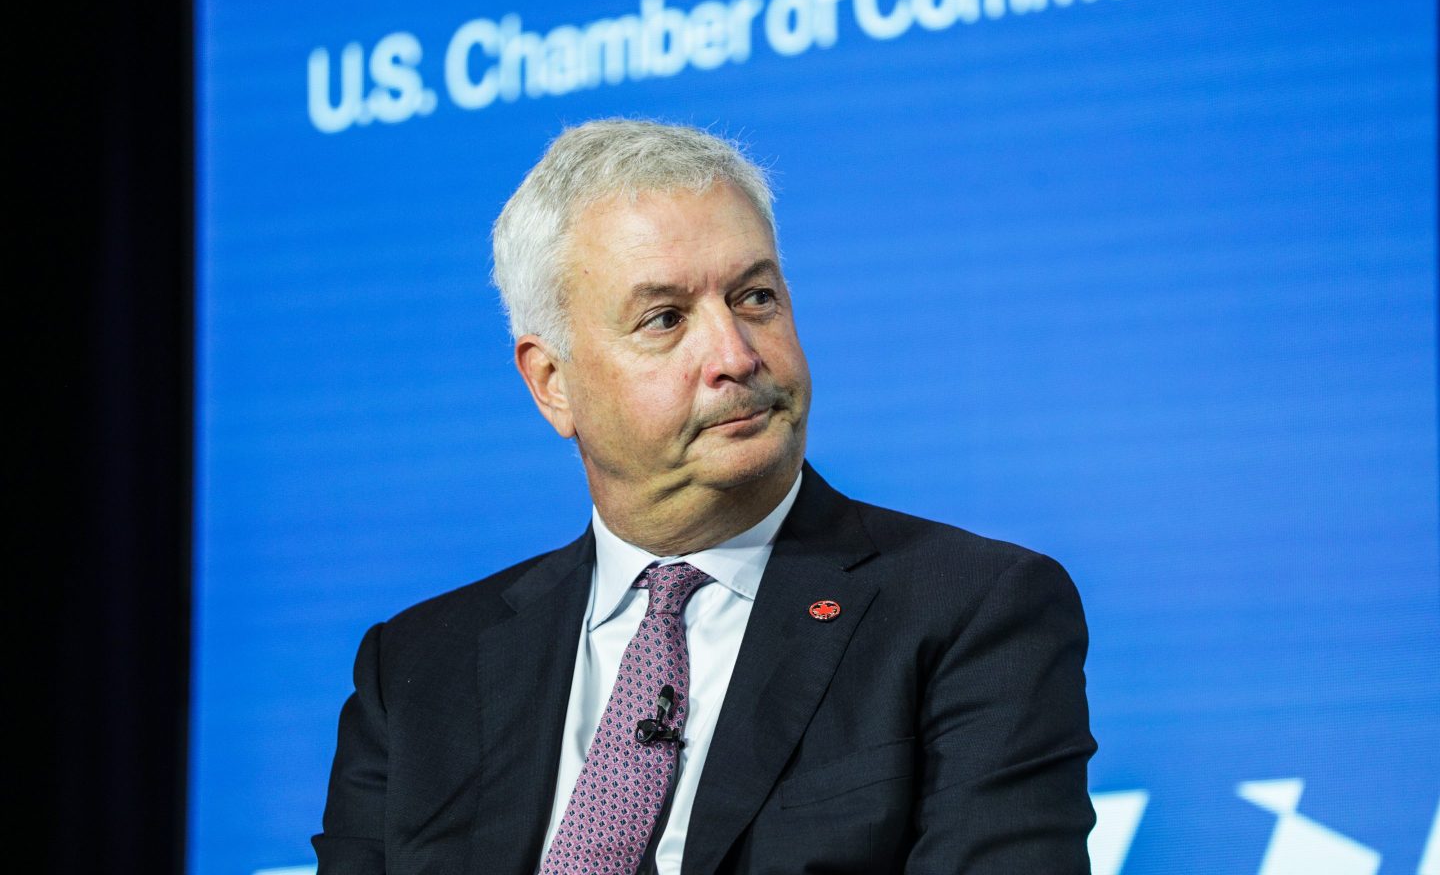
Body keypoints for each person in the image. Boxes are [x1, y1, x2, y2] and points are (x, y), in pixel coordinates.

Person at [313, 118, 1097, 875]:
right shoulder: (418, 670)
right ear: (553, 384)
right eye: (665, 318)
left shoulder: (972, 612)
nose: (735, 354)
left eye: (755, 298)